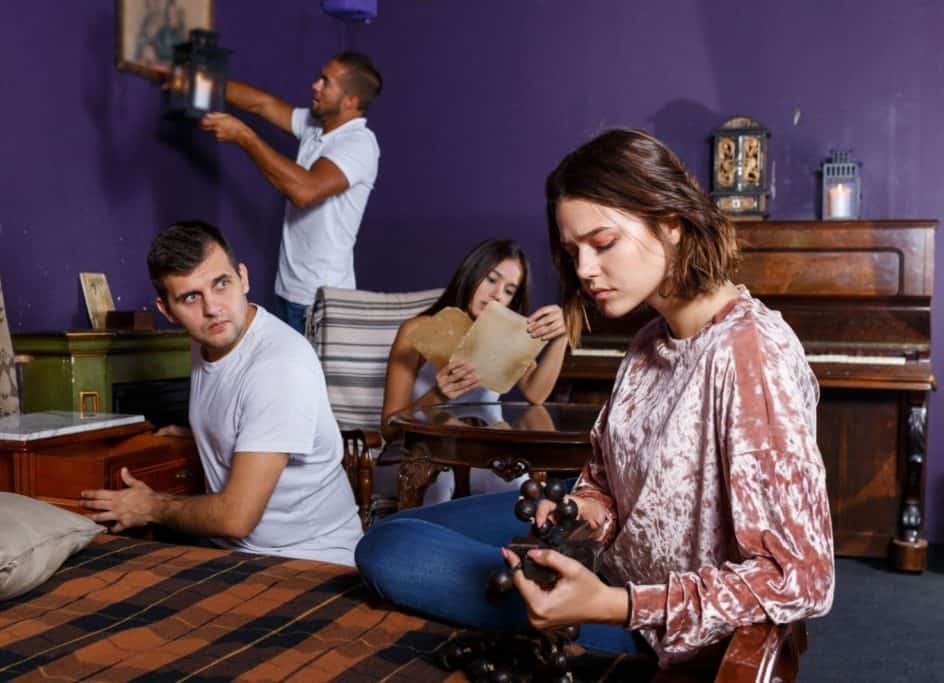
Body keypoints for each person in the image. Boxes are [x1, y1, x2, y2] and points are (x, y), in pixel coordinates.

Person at [355, 129, 835, 669]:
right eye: (573, 251)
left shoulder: (750, 353)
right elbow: (606, 482)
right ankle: (534, 573)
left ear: (671, 222)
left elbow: (801, 578)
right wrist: (580, 507)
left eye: (602, 244)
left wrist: (612, 605)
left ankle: (537, 590)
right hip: (606, 563)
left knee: (389, 554)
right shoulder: (648, 342)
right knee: (394, 532)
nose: (583, 270)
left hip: (647, 626)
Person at [80, 220, 362, 567]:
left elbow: (235, 518)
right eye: (191, 297)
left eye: (221, 284)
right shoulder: (207, 341)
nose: (212, 308)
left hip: (308, 561)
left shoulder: (279, 366)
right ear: (167, 310)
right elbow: (238, 405)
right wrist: (205, 434)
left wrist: (151, 506)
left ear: (243, 278)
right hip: (238, 554)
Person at [197, 52, 382, 334]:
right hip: (287, 292)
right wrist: (199, 82)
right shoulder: (316, 125)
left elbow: (304, 191)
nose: (315, 85)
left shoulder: (358, 144)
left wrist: (244, 137)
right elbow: (262, 104)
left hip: (321, 303)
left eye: (326, 82)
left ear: (350, 101)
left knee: (313, 379)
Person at [377, 238, 569, 505]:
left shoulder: (505, 336)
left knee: (522, 486)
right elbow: (388, 428)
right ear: (471, 272)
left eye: (509, 290)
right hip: (417, 456)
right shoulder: (417, 330)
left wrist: (561, 337)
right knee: (442, 480)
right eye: (491, 279)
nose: (497, 294)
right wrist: (438, 394)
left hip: (483, 456)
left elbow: (536, 394)